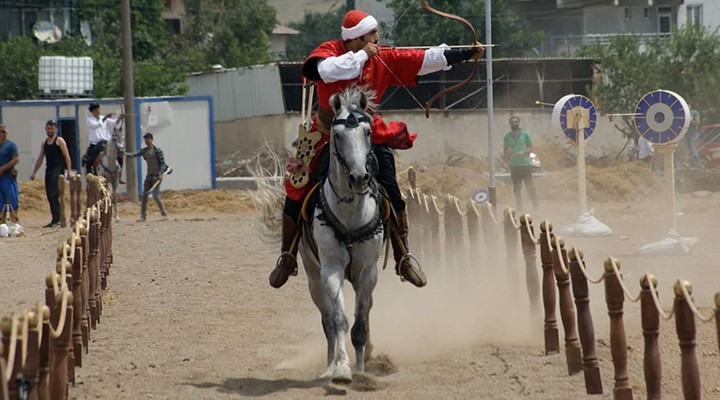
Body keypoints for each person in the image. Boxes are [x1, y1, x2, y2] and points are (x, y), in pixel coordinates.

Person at [268, 9, 484, 289]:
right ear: (356, 39)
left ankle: (403, 256)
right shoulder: (330, 51)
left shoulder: (381, 56)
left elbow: (423, 58)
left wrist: (464, 54)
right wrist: (363, 55)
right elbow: (326, 71)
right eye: (371, 34)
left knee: (392, 191)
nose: (377, 37)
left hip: (368, 135)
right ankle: (287, 256)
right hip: (325, 132)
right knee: (296, 188)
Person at [30, 120, 73, 228]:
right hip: (48, 170)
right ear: (45, 129)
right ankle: (54, 219)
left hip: (58, 170)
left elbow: (67, 156)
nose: (50, 130)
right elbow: (40, 158)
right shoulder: (44, 143)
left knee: (54, 194)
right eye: (48, 128)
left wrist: (69, 171)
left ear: (56, 129)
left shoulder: (59, 141)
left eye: (52, 128)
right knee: (49, 195)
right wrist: (34, 172)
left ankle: (58, 219)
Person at [126, 133, 168, 222]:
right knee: (144, 196)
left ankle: (164, 213)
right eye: (145, 140)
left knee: (155, 196)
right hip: (149, 177)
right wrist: (126, 154)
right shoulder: (144, 151)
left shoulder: (157, 151)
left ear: (152, 140)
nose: (147, 141)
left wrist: (160, 173)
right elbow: (135, 154)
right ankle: (143, 216)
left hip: (157, 177)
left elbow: (163, 164)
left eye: (148, 139)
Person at [503, 116, 539, 212]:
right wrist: (507, 151)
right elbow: (505, 151)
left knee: (529, 186)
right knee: (516, 189)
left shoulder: (525, 135)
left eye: (516, 122)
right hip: (514, 166)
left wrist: (524, 152)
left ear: (519, 123)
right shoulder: (507, 137)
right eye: (512, 122)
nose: (514, 123)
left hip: (525, 165)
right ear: (510, 124)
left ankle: (536, 207)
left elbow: (531, 147)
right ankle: (519, 208)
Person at [84, 103, 125, 181]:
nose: (98, 111)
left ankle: (119, 174)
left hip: (106, 142)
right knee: (89, 159)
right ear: (92, 111)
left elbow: (114, 122)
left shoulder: (103, 118)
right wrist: (105, 118)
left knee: (119, 153)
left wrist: (120, 118)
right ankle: (89, 174)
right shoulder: (90, 120)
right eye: (96, 109)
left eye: (98, 109)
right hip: (95, 143)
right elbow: (96, 125)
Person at [0, 124, 20, 223]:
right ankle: (1, 224)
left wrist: (3, 168)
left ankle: (14, 223)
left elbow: (16, 159)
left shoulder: (10, 145)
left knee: (12, 200)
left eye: (3, 132)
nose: (1, 134)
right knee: (1, 202)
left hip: (7, 176)